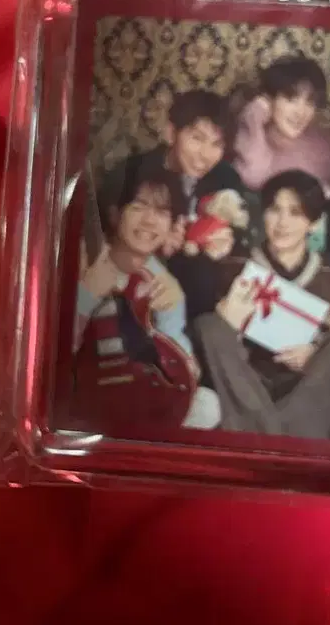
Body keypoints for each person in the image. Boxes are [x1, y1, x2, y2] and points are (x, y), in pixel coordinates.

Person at [191, 169, 330, 439]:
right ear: (263, 214)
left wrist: (317, 351)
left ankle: (268, 435)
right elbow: (215, 345)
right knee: (208, 325)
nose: (282, 222)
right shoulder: (233, 267)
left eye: (295, 213)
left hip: (308, 392)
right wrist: (229, 323)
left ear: (314, 223)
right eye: (275, 210)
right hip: (247, 386)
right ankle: (280, 436)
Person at [72, 162, 220, 431]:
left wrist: (170, 315)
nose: (150, 221)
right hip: (87, 395)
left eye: (162, 212)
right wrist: (87, 295)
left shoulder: (162, 281)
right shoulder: (83, 260)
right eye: (138, 207)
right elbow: (52, 355)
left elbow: (183, 371)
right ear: (115, 213)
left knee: (208, 404)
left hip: (141, 393)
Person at [99, 89, 245, 320]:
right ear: (171, 133)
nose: (205, 154)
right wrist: (155, 245)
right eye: (197, 138)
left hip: (205, 297)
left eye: (216, 144)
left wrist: (230, 244)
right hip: (141, 286)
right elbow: (104, 235)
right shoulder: (134, 174)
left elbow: (244, 230)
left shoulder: (226, 179)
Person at [233, 56, 330, 196]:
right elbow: (253, 177)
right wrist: (254, 119)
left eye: (310, 102)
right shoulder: (252, 139)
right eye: (291, 99)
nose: (300, 112)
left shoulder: (325, 148)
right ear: (268, 100)